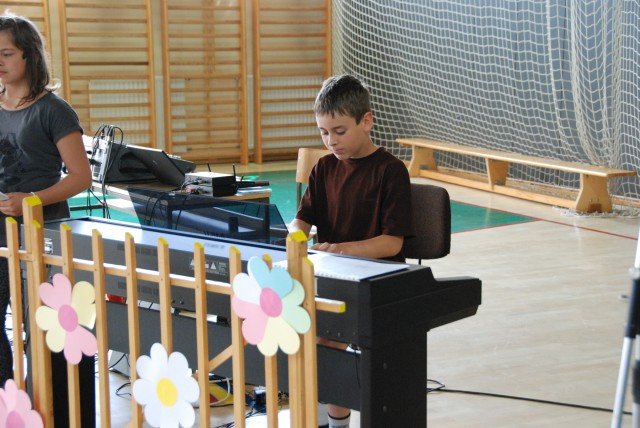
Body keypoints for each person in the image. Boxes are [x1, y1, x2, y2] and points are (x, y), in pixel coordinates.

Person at [290, 74, 415, 427]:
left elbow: (392, 243)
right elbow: (302, 220)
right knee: (300, 339)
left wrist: (339, 250)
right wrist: (294, 242)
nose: (331, 141)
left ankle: (334, 420)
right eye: (323, 132)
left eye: (339, 131)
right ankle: (328, 418)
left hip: (378, 284)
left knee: (325, 346)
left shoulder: (391, 171)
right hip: (334, 278)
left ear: (367, 121)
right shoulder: (324, 167)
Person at [0, 11, 93, 426]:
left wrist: (32, 201)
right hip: (1, 235)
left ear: (29, 56)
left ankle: (52, 413)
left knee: (42, 330)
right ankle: (10, 407)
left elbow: (80, 177)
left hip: (43, 234)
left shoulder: (54, 110)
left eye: (7, 54)